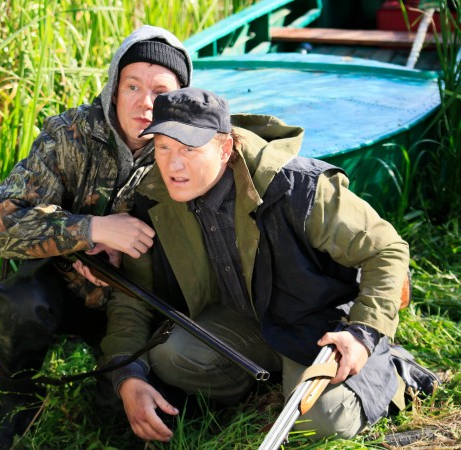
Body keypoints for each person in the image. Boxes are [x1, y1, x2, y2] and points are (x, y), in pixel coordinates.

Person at [100, 87, 412, 443]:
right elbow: (133, 298)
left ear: (225, 148)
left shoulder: (299, 187)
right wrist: (128, 375)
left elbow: (387, 250)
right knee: (169, 357)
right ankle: (264, 382)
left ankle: (391, 367)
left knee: (324, 422)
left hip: (316, 322)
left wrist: (364, 333)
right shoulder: (152, 200)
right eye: (163, 147)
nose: (173, 165)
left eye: (189, 149)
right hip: (240, 320)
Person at [0, 26, 192, 449]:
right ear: (114, 88)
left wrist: (130, 258)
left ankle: (118, 381)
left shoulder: (187, 149)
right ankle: (18, 397)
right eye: (132, 86)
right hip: (64, 289)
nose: (145, 103)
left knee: (131, 420)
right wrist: (87, 230)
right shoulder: (69, 134)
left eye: (161, 92)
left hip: (139, 304)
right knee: (22, 304)